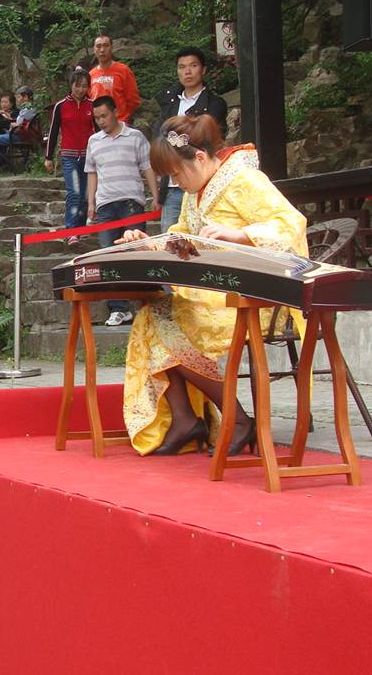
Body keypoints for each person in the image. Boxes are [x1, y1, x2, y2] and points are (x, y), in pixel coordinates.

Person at [119, 114, 308, 457]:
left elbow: (291, 224)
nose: (175, 182)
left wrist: (241, 235)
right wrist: (148, 242)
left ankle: (235, 419)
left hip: (258, 296)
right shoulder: (197, 191)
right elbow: (181, 236)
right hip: (216, 294)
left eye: (176, 173)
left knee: (167, 323)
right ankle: (185, 418)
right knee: (152, 315)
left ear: (201, 158)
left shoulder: (245, 179)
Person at [85, 95, 159, 326]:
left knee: (135, 252)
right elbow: (92, 173)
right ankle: (118, 308)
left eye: (104, 116)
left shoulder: (135, 137)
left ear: (116, 112)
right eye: (97, 118)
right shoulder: (94, 141)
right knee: (108, 256)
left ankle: (144, 303)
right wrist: (90, 204)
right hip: (105, 204)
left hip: (131, 202)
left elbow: (147, 167)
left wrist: (155, 196)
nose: (101, 121)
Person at [154, 47, 229, 232]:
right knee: (170, 241)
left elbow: (206, 138)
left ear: (203, 70)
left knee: (205, 237)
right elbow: (158, 134)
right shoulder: (170, 103)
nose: (187, 71)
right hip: (172, 184)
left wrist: (172, 138)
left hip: (202, 181)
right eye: (182, 67)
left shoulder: (215, 104)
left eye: (193, 65)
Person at [45, 69, 97, 241]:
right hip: (69, 156)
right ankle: (71, 230)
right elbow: (53, 132)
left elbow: (98, 132)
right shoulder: (61, 106)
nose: (80, 90)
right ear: (71, 85)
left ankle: (80, 228)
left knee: (85, 195)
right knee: (74, 192)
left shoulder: (92, 105)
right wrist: (48, 157)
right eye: (77, 85)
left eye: (84, 86)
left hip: (89, 156)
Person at [89, 34, 142, 123]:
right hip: (98, 126)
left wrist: (124, 117)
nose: (102, 50)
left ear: (111, 48)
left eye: (106, 46)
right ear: (94, 50)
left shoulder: (123, 70)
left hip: (120, 123)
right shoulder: (91, 74)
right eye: (98, 46)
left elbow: (133, 100)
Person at [0, 85, 40, 149]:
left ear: (25, 97)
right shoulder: (26, 108)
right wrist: (9, 118)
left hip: (22, 136)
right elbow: (19, 123)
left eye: (19, 97)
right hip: (19, 134)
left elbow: (18, 126)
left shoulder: (29, 109)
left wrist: (8, 120)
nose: (17, 100)